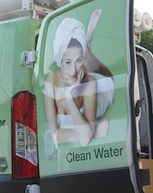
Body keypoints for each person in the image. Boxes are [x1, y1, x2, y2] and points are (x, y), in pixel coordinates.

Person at [43, 9, 114, 150]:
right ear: (60, 61)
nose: (74, 70)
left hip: (103, 90)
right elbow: (54, 136)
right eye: (68, 62)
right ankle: (86, 45)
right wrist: (94, 131)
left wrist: (69, 96)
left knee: (108, 78)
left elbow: (85, 140)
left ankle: (87, 46)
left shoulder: (90, 83)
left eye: (78, 60)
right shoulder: (52, 81)